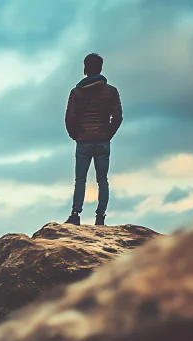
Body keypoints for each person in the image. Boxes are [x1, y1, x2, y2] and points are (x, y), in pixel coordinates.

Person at [64, 53, 123, 226]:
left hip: (83, 141)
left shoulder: (76, 92)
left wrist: (75, 135)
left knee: (80, 180)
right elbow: (118, 117)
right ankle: (100, 217)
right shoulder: (111, 91)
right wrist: (108, 134)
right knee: (102, 180)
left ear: (85, 69)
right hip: (103, 141)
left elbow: (69, 118)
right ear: (100, 68)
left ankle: (75, 215)